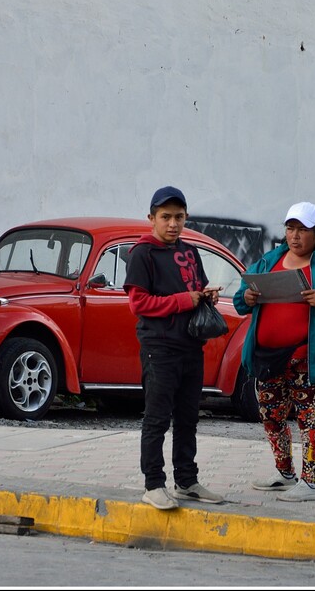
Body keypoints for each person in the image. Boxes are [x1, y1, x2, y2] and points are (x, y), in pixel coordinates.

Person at [232, 201, 315, 502]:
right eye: (290, 228)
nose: (294, 236)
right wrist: (249, 297)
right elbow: (241, 300)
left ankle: (310, 482)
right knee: (270, 416)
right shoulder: (269, 261)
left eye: (302, 230)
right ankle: (285, 472)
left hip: (307, 358)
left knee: (309, 418)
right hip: (269, 358)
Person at [123, 186, 225, 510]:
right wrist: (184, 300)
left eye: (178, 217)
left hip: (190, 346)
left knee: (187, 417)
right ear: (151, 218)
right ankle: (153, 484)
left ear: (186, 218)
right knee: (156, 418)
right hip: (160, 347)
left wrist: (205, 296)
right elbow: (138, 304)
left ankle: (187, 480)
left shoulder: (191, 252)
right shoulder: (142, 254)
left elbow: (194, 289)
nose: (172, 224)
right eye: (165, 217)